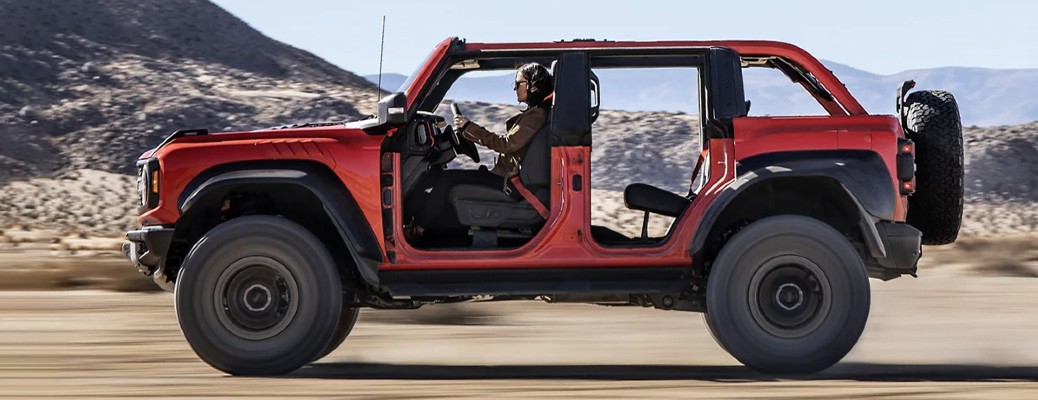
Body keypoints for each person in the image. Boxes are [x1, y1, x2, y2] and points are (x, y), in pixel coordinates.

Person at [406, 62, 554, 234]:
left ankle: (419, 228)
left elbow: (505, 144)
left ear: (531, 84)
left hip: (509, 184)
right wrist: (468, 131)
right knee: (445, 179)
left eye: (518, 83)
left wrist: (469, 127)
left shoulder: (536, 115)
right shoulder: (536, 113)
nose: (515, 89)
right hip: (508, 179)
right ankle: (432, 231)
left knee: (446, 180)